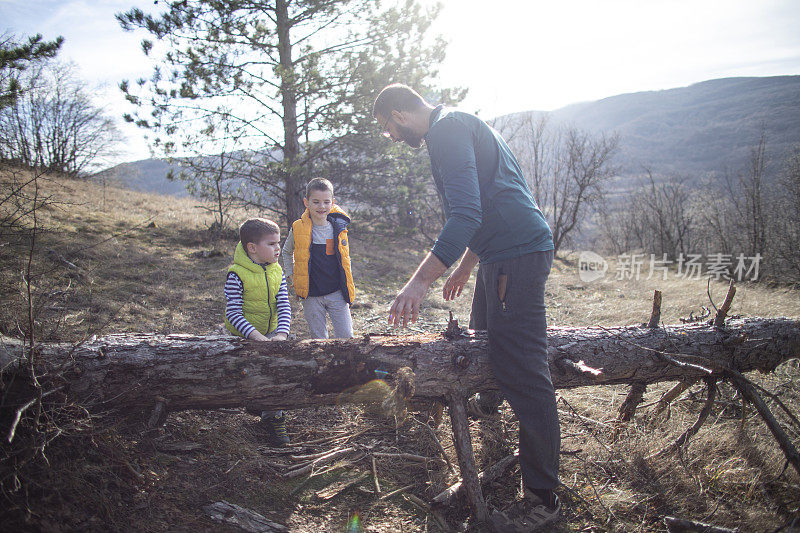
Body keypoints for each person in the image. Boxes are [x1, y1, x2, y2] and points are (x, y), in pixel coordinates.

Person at [373, 84, 561, 531]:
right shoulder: (457, 122)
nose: (393, 139)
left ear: (399, 114)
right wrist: (467, 265)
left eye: (388, 129)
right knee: (482, 336)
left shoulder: (446, 131)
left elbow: (466, 213)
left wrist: (420, 282)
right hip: (500, 252)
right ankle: (488, 406)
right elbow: (488, 199)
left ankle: (543, 499)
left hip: (517, 252)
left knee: (525, 369)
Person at [224, 217, 292, 446]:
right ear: (252, 248)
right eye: (272, 244)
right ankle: (255, 400)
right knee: (248, 371)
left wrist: (280, 334)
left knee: (276, 369)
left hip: (271, 333)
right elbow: (233, 313)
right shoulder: (236, 274)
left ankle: (274, 415)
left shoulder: (277, 271)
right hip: (242, 336)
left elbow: (283, 304)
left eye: (279, 243)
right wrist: (255, 337)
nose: (278, 248)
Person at [282, 178, 355, 339]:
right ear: (306, 202)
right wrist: (291, 275)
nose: (321, 207)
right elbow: (286, 252)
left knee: (346, 336)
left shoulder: (339, 228)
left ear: (332, 202)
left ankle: (344, 364)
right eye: (316, 202)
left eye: (326, 202)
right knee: (318, 338)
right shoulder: (298, 228)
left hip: (337, 292)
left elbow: (344, 259)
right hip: (311, 295)